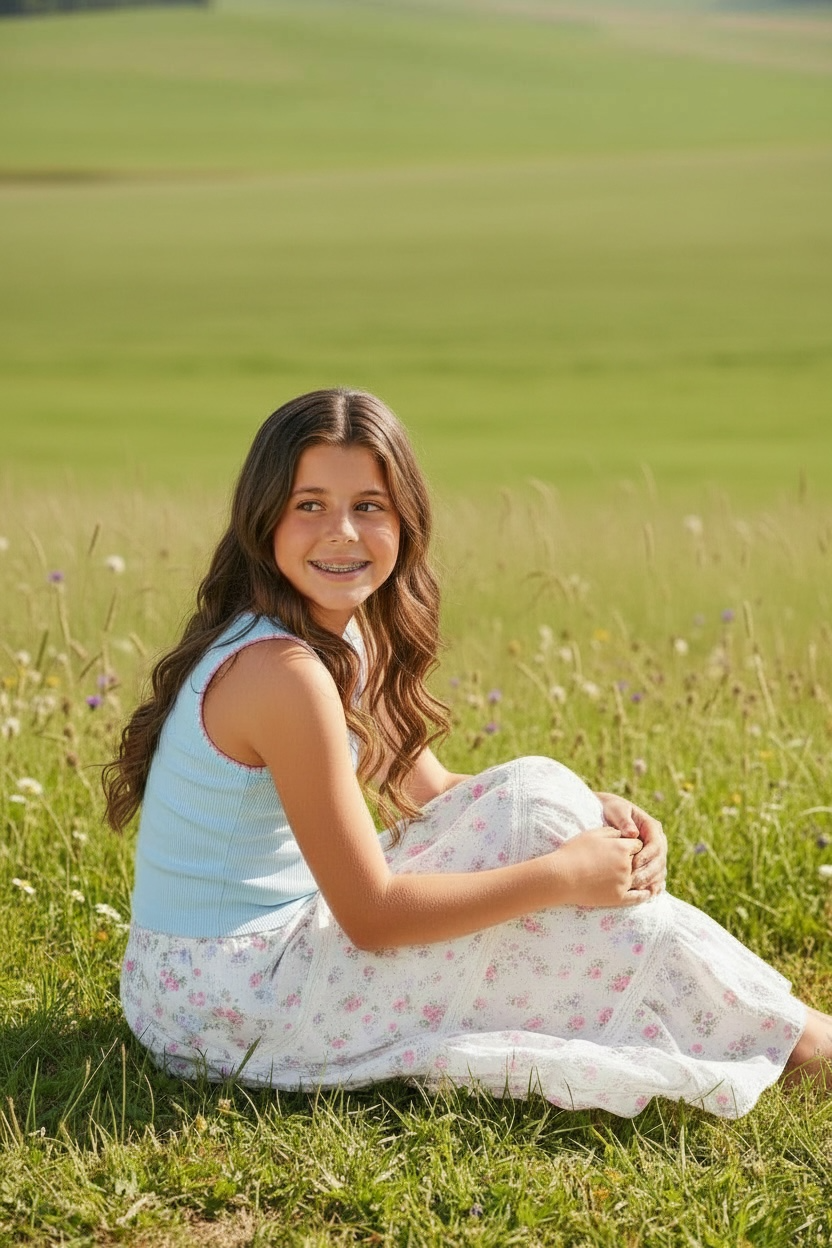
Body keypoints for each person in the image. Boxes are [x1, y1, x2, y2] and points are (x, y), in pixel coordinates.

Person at [106, 388, 831, 1118]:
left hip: (230, 971)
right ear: (263, 519)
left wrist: (595, 820)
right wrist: (562, 873)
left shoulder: (334, 636)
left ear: (404, 521)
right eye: (310, 506)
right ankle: (793, 1042)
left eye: (368, 506)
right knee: (544, 857)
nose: (342, 533)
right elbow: (372, 915)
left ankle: (774, 1027)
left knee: (538, 791)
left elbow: (434, 788)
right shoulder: (283, 674)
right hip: (225, 1003)